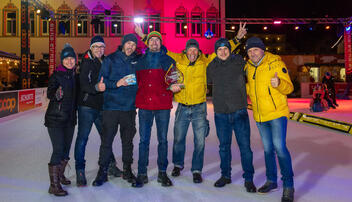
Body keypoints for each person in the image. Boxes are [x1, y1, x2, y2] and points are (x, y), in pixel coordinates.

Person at [133, 23, 246, 184]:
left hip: (199, 107)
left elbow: (222, 53)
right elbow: (158, 49)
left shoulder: (205, 61)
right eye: (189, 50)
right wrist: (143, 37)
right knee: (178, 139)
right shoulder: (177, 59)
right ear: (185, 51)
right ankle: (177, 165)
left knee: (199, 141)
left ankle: (196, 170)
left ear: (198, 51)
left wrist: (237, 39)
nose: (192, 53)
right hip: (183, 106)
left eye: (195, 50)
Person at [244, 37, 295, 202]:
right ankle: (271, 180)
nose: (252, 54)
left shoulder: (276, 63)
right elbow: (250, 88)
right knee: (267, 150)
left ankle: (288, 185)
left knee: (279, 148)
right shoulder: (248, 68)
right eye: (250, 51)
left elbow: (289, 88)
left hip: (277, 113)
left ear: (262, 50)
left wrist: (279, 82)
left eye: (255, 50)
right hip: (260, 115)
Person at [206, 38, 256, 192]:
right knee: (224, 147)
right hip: (221, 113)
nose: (223, 51)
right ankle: (225, 175)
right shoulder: (211, 66)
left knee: (245, 147)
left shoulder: (239, 62)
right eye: (219, 49)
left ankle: (249, 179)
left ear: (230, 49)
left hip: (239, 111)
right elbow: (206, 84)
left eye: (225, 48)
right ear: (216, 52)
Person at [131, 31, 178, 188]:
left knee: (163, 140)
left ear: (161, 43)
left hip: (162, 106)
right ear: (147, 43)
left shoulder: (168, 60)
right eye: (151, 40)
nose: (154, 42)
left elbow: (174, 79)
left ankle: (162, 173)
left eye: (157, 40)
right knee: (143, 141)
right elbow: (133, 81)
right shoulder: (140, 61)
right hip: (144, 106)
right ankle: (142, 173)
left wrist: (173, 86)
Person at [92, 34, 139, 186]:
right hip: (111, 108)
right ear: (123, 44)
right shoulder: (110, 59)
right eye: (128, 43)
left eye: (133, 44)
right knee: (106, 141)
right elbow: (102, 82)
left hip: (129, 109)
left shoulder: (137, 60)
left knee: (128, 142)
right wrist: (117, 83)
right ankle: (102, 171)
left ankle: (127, 169)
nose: (130, 46)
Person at [74, 36, 122, 187]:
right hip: (87, 107)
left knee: (106, 139)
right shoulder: (86, 62)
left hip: (102, 107)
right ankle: (80, 170)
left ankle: (111, 166)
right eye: (96, 47)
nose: (99, 50)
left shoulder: (105, 61)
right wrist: (96, 88)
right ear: (91, 48)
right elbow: (83, 85)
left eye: (102, 47)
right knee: (82, 139)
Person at [44, 43, 77, 196]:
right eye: (67, 58)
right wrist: (56, 93)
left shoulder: (74, 75)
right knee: (58, 150)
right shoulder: (56, 74)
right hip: (55, 119)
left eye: (72, 58)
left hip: (69, 119)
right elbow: (50, 93)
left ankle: (60, 174)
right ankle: (54, 185)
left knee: (66, 150)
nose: (70, 61)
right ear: (62, 60)